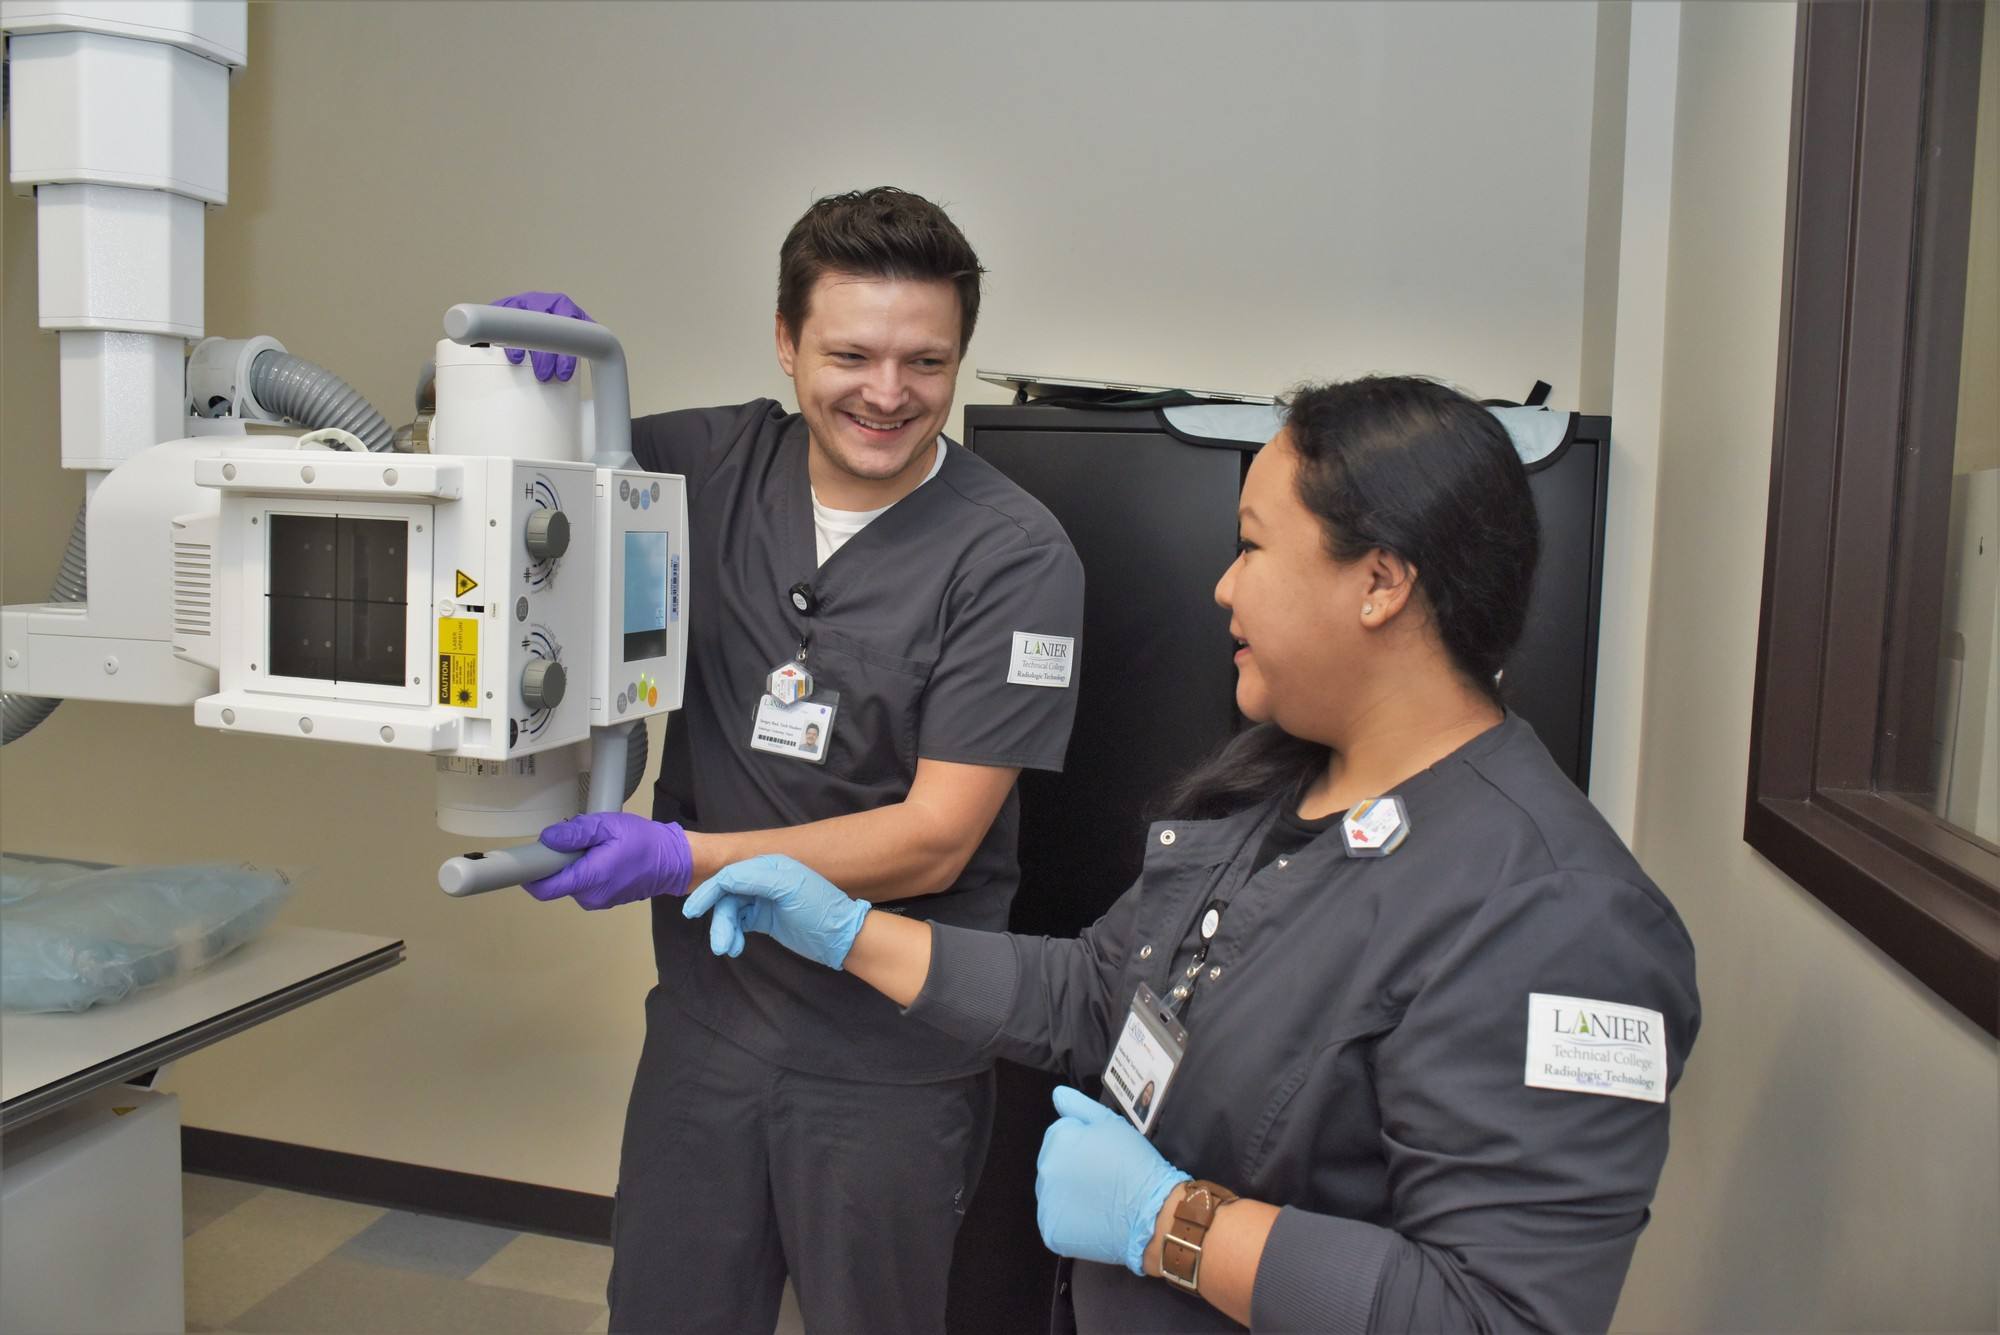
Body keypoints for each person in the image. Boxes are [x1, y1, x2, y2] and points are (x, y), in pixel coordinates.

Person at [681, 376, 1701, 1333]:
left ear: (1379, 582)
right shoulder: (1281, 788)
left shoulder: (1560, 918)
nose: (1223, 588)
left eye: (1251, 547)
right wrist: (847, 930)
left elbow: (1497, 1317)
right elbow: (1094, 992)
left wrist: (1170, 1224)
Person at [508, 188, 1087, 1334]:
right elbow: (500, 485)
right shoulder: (704, 464)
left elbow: (936, 836)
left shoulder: (1016, 558)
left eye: (925, 361)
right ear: (784, 341)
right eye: (850, 354)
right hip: (707, 1026)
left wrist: (683, 857)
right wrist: (511, 380)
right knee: (667, 1309)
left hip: (886, 1052)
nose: (887, 393)